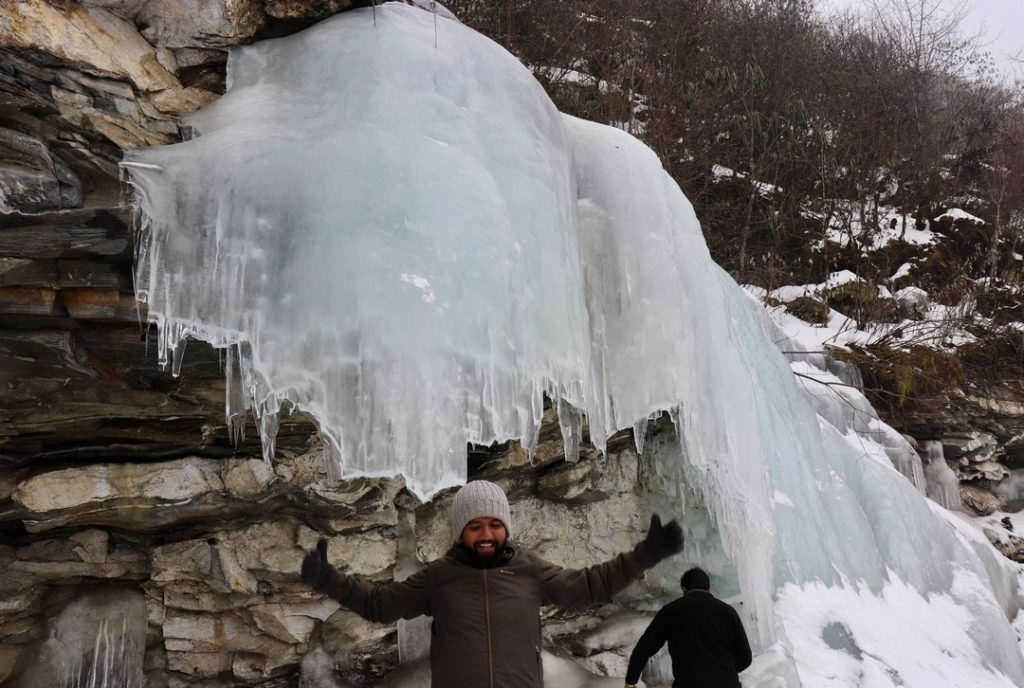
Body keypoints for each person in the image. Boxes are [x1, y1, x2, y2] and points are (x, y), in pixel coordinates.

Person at [301, 479, 684, 688]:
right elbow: (381, 605)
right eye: (476, 526)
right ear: (461, 532)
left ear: (505, 528)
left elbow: (589, 586)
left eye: (495, 524)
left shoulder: (528, 570)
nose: (486, 534)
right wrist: (331, 581)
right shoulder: (440, 577)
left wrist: (646, 554)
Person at [624, 567, 752, 688]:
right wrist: (723, 672)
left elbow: (643, 650)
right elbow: (745, 658)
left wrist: (630, 682)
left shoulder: (671, 611)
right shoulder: (728, 612)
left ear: (684, 589)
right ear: (709, 588)